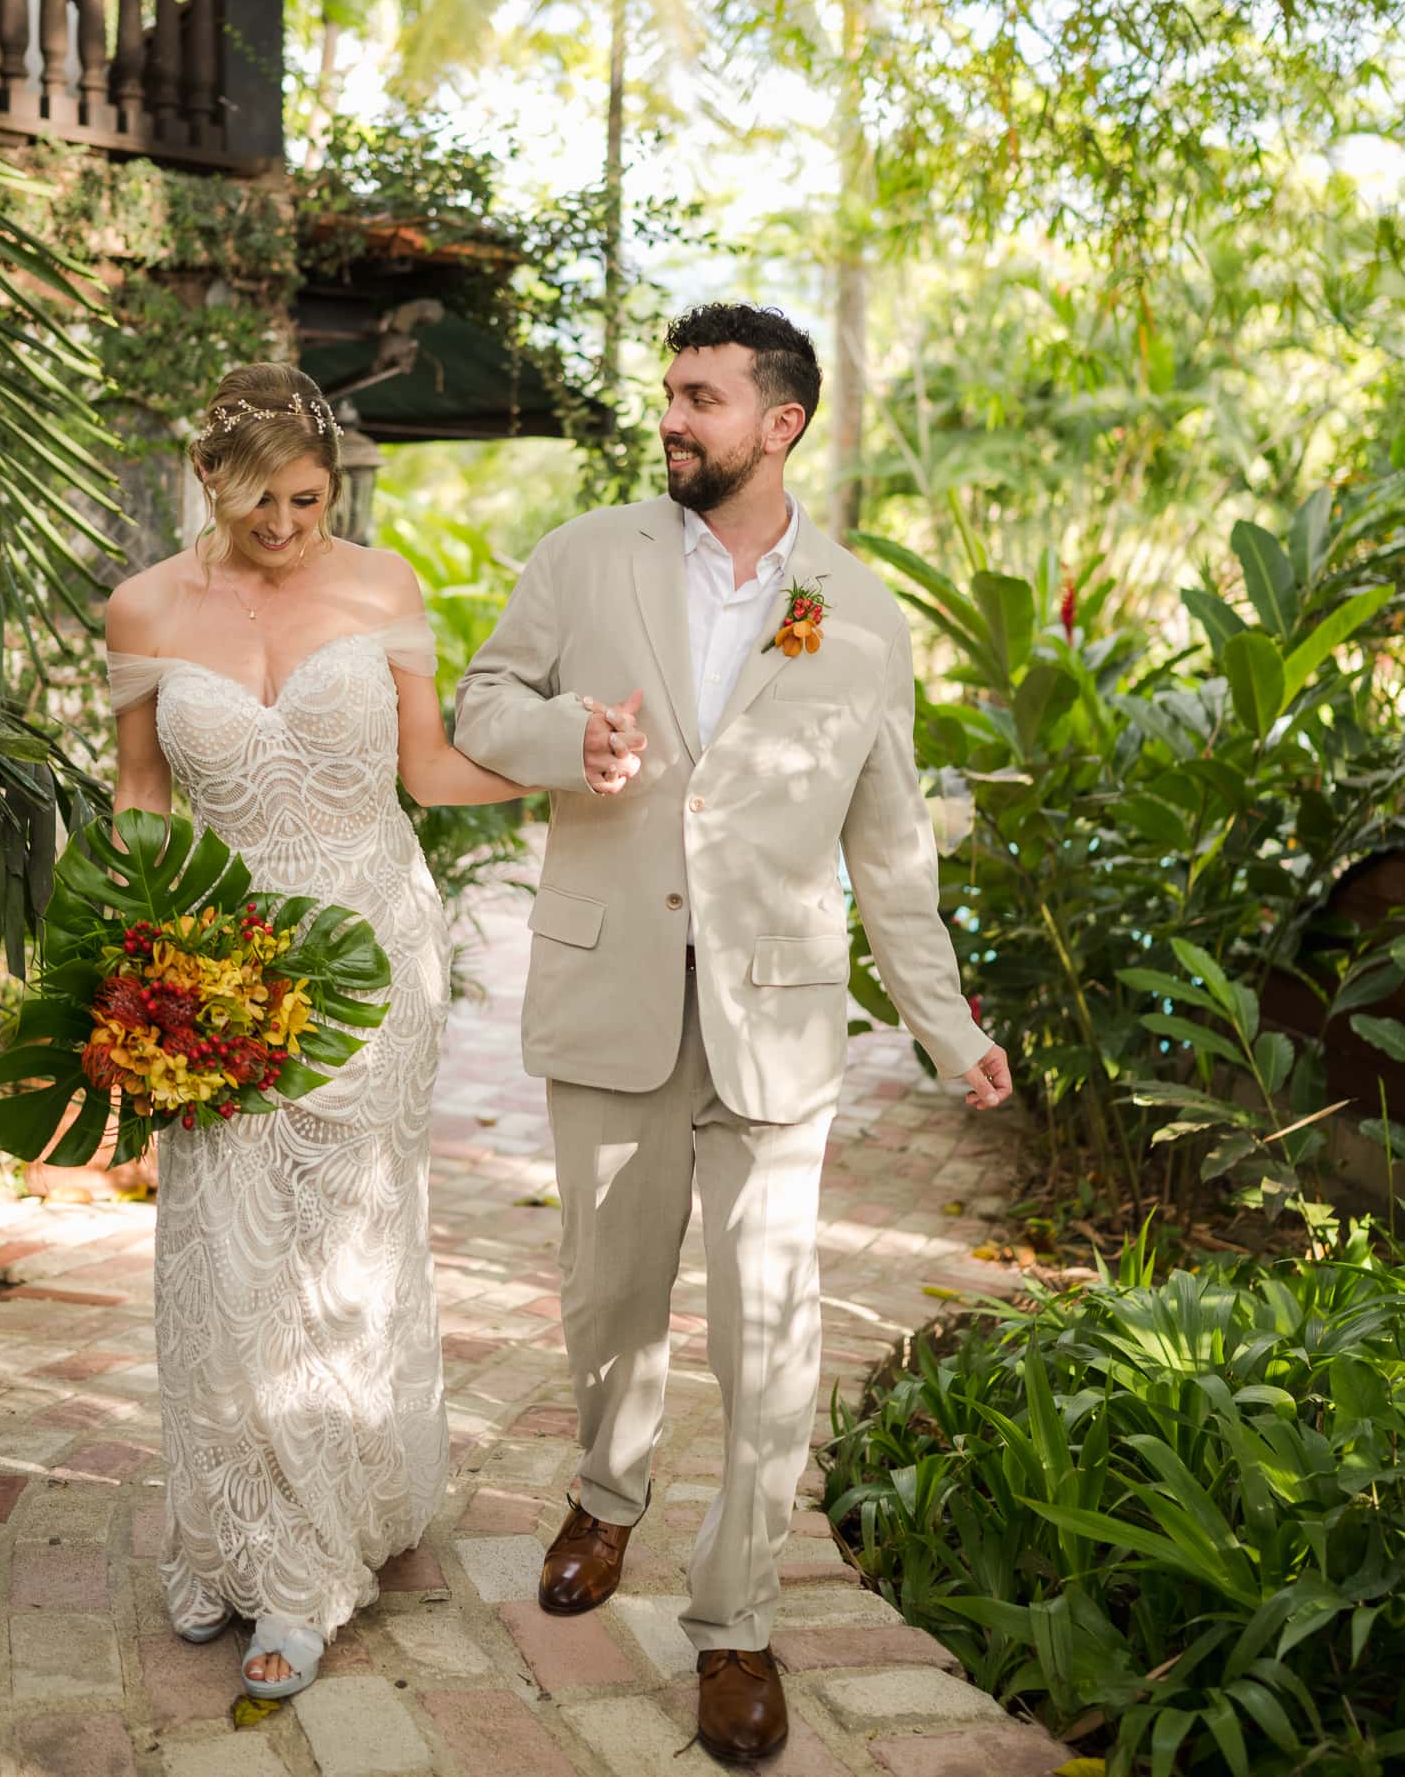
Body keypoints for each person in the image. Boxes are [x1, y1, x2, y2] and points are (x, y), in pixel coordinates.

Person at [454, 302, 1012, 1767]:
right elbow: (479, 700)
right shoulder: (586, 557)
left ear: (782, 422)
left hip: (775, 1020)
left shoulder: (861, 611)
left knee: (771, 1339)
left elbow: (892, 848)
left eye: (700, 395)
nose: (672, 416)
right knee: (609, 1300)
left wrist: (946, 1025)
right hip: (613, 998)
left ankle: (738, 1619)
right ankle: (608, 1487)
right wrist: (563, 734)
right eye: (669, 393)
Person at [105, 362, 523, 1700]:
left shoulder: (385, 586)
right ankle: (233, 1528)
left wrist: (565, 764)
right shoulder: (145, 606)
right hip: (220, 957)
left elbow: (432, 769)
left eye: (307, 497)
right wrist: (137, 964)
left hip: (373, 952)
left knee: (343, 1241)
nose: (285, 526)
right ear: (205, 479)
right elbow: (138, 801)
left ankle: (306, 1571)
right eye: (256, 501)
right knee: (227, 1247)